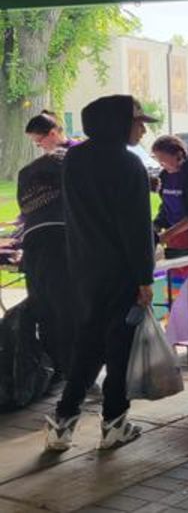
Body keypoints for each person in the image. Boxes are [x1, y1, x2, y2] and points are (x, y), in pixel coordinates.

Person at [44, 96, 158, 451]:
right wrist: (144, 278)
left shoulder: (74, 159)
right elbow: (136, 228)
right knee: (119, 346)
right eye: (138, 121)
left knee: (88, 345)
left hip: (83, 269)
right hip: (121, 272)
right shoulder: (127, 165)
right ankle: (114, 422)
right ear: (117, 123)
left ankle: (63, 422)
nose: (143, 127)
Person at [16, 111, 75, 376]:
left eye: (39, 140)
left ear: (53, 133)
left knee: (48, 305)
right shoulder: (68, 162)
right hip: (60, 240)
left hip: (44, 241)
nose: (38, 146)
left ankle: (58, 365)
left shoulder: (68, 158)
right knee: (64, 305)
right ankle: (67, 366)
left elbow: (28, 208)